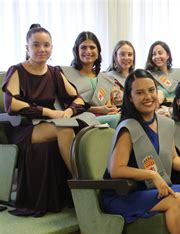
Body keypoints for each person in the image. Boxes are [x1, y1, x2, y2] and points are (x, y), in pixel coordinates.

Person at [101, 69, 180, 234]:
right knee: (176, 200)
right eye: (140, 93)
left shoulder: (165, 123)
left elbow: (173, 159)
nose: (148, 97)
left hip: (153, 190)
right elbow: (116, 170)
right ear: (130, 98)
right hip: (125, 194)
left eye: (151, 90)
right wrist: (152, 175)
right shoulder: (127, 127)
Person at [3, 25, 91, 216]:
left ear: (52, 47)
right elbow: (11, 104)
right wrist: (49, 112)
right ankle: (82, 184)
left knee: (77, 127)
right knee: (64, 129)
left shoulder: (54, 72)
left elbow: (78, 99)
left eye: (46, 45)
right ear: (27, 48)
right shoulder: (17, 70)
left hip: (47, 126)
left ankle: (86, 181)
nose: (42, 49)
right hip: (24, 129)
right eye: (36, 45)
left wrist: (68, 111)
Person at [63, 31, 121, 127]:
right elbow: (66, 106)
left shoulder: (105, 78)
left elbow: (107, 107)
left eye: (92, 47)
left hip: (104, 118)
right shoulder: (66, 75)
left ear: (98, 51)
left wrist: (111, 110)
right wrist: (98, 110)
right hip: (79, 119)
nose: (88, 51)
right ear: (77, 51)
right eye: (83, 47)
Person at [105, 40, 136, 116]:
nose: (126, 58)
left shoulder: (137, 77)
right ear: (115, 56)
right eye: (122, 54)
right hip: (118, 115)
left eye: (130, 54)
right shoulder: (107, 78)